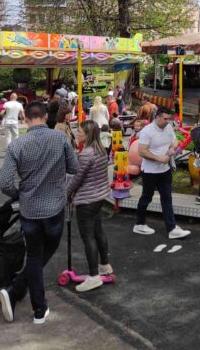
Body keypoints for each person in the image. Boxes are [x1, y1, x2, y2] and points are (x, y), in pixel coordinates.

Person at [0, 101, 79, 324]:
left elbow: (4, 182)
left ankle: (29, 301)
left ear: (25, 118)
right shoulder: (60, 138)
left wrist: (18, 193)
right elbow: (74, 167)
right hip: (54, 208)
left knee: (34, 255)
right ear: (45, 116)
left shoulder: (17, 145)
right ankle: (29, 302)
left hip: (30, 210)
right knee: (44, 252)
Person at [67, 120, 113, 292]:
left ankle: (93, 276)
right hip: (99, 196)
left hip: (86, 200)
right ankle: (105, 265)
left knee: (88, 237)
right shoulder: (101, 151)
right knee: (98, 231)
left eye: (79, 131)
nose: (77, 133)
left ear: (87, 134)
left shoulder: (86, 154)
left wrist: (67, 193)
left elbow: (77, 179)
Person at [134, 105, 190, 239]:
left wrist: (172, 148)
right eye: (165, 119)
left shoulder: (168, 127)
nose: (167, 121)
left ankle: (172, 229)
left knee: (167, 198)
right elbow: (141, 151)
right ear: (157, 117)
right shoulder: (147, 131)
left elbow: (175, 141)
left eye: (168, 119)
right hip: (150, 171)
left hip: (165, 170)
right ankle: (139, 224)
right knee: (146, 197)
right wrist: (158, 158)